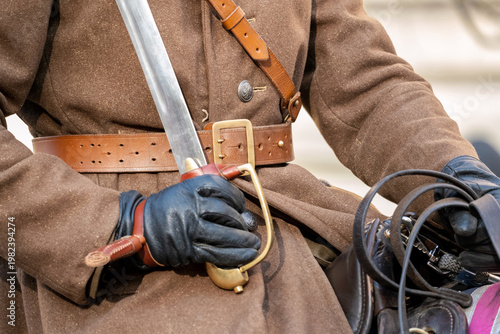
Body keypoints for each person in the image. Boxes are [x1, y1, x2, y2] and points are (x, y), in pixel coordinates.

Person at [1, 0, 499, 333]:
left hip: (291, 236)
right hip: (118, 274)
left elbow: (362, 80)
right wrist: (121, 225)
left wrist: (458, 178)